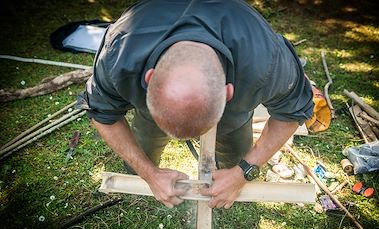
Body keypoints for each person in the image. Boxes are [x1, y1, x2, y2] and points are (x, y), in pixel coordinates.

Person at [77, 0, 314, 209]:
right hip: (149, 101)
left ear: (228, 92)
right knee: (142, 152)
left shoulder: (267, 63)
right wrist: (148, 173)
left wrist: (243, 172)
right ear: (148, 78)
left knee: (235, 158)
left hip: (234, 112)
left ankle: (230, 166)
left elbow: (291, 113)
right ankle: (148, 151)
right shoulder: (119, 52)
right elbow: (103, 114)